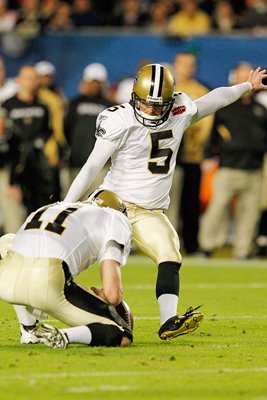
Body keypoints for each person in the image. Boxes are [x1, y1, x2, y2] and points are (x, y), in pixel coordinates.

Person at [63, 62, 267, 341]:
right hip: (112, 203)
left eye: (159, 106)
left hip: (148, 211)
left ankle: (168, 320)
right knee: (74, 257)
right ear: (135, 96)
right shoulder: (119, 119)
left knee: (171, 254)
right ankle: (45, 299)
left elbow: (213, 100)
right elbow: (91, 166)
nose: (152, 110)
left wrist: (246, 86)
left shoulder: (180, 110)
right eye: (147, 104)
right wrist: (66, 204)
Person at [0, 190, 133, 349]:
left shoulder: (52, 207)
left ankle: (28, 329)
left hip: (5, 278)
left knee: (7, 240)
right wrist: (101, 297)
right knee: (122, 333)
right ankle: (63, 335)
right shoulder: (113, 217)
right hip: (46, 281)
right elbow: (113, 295)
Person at [199, 63, 267, 259]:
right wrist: (207, 157)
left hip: (254, 168)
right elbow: (212, 135)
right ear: (234, 79)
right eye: (242, 75)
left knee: (250, 212)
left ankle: (242, 249)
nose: (247, 78)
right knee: (218, 207)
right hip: (228, 166)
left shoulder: (260, 108)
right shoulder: (225, 106)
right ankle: (207, 245)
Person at [166, 52, 213, 254]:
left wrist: (199, 146)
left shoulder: (200, 90)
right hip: (167, 154)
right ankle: (167, 244)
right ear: (176, 65)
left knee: (190, 204)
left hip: (192, 156)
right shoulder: (167, 88)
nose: (188, 68)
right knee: (167, 203)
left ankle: (191, 245)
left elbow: (206, 126)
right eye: (184, 64)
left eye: (191, 65)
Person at [0, 65, 55, 215]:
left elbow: (47, 132)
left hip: (35, 166)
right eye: (28, 78)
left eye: (34, 78)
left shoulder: (43, 106)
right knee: (14, 213)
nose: (31, 82)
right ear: (19, 80)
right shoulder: (8, 105)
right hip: (11, 164)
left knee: (37, 210)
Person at [64, 62, 113, 196]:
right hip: (76, 162)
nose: (94, 85)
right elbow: (66, 130)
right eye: (91, 81)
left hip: (100, 166)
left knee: (95, 206)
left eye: (97, 82)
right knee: (72, 207)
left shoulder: (110, 106)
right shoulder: (74, 104)